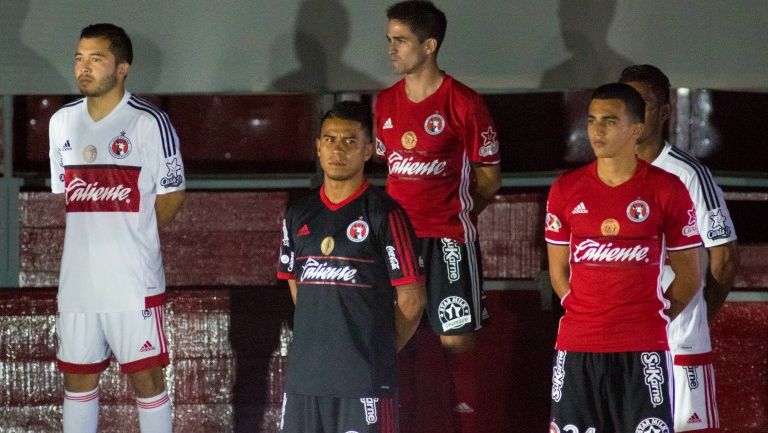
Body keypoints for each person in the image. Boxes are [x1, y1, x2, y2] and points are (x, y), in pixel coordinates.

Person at [48, 23, 185, 433]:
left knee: (147, 379)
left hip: (133, 283)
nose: (83, 67)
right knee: (77, 379)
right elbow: (66, 196)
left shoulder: (150, 123)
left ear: (122, 67)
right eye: (79, 58)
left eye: (96, 58)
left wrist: (135, 234)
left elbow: (173, 195)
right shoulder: (61, 123)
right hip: (78, 283)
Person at [545, 83, 703, 433]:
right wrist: (588, 312)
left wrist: (649, 318)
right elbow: (558, 272)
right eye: (591, 120)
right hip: (578, 347)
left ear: (636, 127)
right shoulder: (565, 190)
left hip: (643, 348)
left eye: (610, 121)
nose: (597, 130)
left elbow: (690, 276)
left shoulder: (667, 188)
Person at [374, 2, 502, 432]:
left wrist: (456, 213)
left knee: (456, 339)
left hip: (449, 238)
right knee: (395, 335)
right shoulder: (385, 103)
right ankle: (397, 421)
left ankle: (465, 424)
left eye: (401, 40)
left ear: (429, 46)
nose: (391, 49)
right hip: (396, 242)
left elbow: (488, 177)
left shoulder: (463, 102)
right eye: (389, 39)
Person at [277, 101, 427, 433]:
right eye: (329, 139)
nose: (337, 149)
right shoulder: (297, 214)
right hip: (306, 381)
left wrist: (375, 353)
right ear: (317, 147)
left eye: (349, 141)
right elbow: (294, 280)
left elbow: (412, 300)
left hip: (364, 383)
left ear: (368, 150)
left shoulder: (385, 213)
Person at [619, 64, 740, 432]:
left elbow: (725, 257)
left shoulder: (688, 175)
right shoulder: (605, 175)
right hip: (619, 343)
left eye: (646, 104)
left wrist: (696, 318)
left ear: (666, 111)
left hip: (678, 348)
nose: (636, 114)